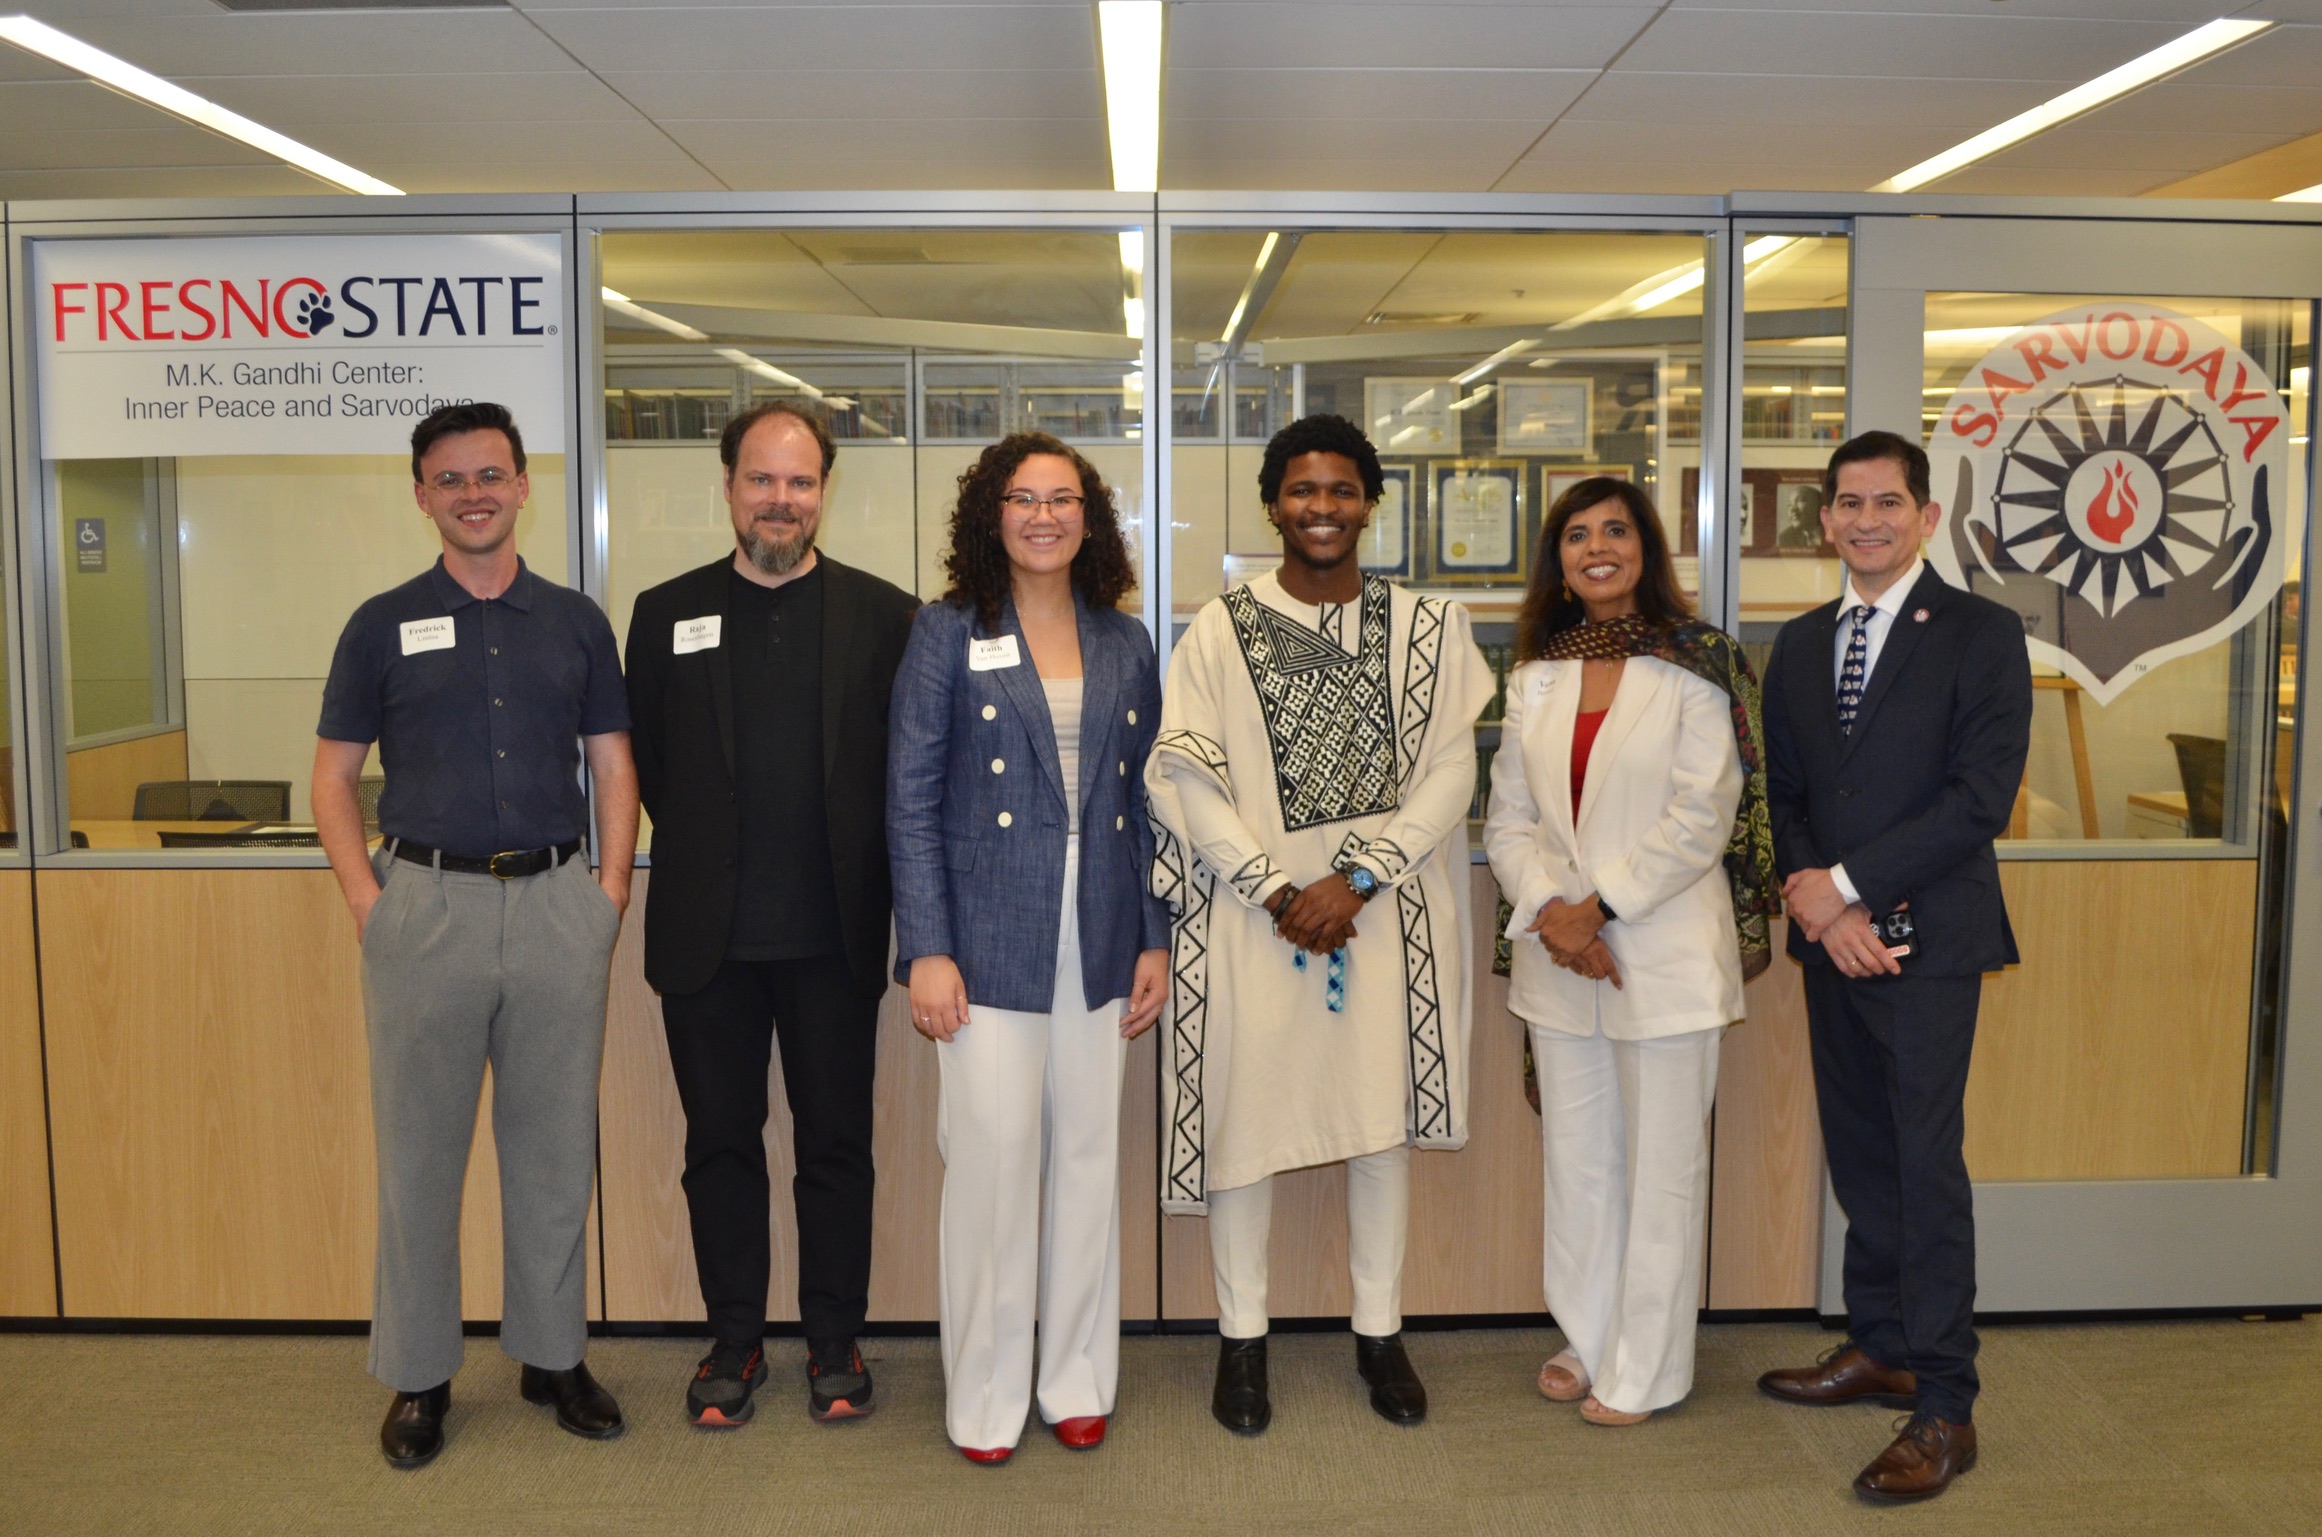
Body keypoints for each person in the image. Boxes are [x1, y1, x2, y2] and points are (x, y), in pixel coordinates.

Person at [1147, 413, 1492, 1435]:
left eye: (1343, 489)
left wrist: (1358, 878)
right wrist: (1269, 885)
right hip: (1258, 923)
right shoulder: (1218, 627)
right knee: (1246, 1126)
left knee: (1377, 1122)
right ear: (1272, 505)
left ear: (1370, 502)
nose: (1324, 508)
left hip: (1381, 921)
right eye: (1303, 490)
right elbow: (1184, 772)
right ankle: (1240, 1339)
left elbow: (1450, 771)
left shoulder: (1431, 625)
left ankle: (1379, 1331)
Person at [313, 402, 638, 1469]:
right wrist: (371, 900)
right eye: (450, 479)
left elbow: (612, 762)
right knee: (420, 1156)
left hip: (555, 905)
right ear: (420, 494)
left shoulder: (577, 622)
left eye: (490, 473)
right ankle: (419, 1375)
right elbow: (332, 778)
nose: (473, 494)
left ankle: (552, 1357)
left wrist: (609, 890)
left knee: (552, 1152)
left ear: (523, 482)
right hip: (427, 910)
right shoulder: (376, 621)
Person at [624, 401, 919, 1428]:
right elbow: (653, 766)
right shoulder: (665, 613)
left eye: (799, 482)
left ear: (822, 492)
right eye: (762, 479)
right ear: (730, 485)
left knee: (837, 1145)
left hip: (836, 935)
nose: (780, 500)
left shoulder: (888, 616)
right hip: (709, 940)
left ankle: (835, 1338)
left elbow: (904, 776)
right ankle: (736, 1340)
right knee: (721, 1144)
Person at [1755, 430, 2031, 1503]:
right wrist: (1815, 904)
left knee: (1925, 1168)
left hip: (1927, 938)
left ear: (1925, 516)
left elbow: (1978, 796)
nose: (1865, 519)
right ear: (1823, 519)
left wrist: (1851, 886)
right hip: (1835, 943)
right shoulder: (1802, 638)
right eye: (1847, 502)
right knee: (1862, 1153)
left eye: (1888, 502)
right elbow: (1779, 794)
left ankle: (1947, 1406)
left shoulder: (1979, 632)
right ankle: (1881, 1346)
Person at [887, 432, 1170, 1463]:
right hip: (985, 942)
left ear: (1087, 518)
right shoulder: (947, 633)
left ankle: (1079, 1378)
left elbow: (1145, 803)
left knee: (1089, 1163)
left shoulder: (1127, 640)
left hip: (1098, 937)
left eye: (1061, 499)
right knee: (995, 1165)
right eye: (1022, 499)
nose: (1042, 516)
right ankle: (987, 1394)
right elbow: (910, 803)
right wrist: (928, 947)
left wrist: (1154, 938)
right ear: (991, 516)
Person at [1483, 478, 1778, 1427]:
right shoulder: (1534, 676)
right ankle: (1589, 1333)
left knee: (1661, 1169)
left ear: (1647, 547)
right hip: (1560, 960)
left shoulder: (1700, 663)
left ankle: (1648, 1367)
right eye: (1577, 535)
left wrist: (1597, 908)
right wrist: (1555, 911)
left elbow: (1706, 813)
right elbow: (1510, 819)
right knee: (1580, 1161)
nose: (1596, 547)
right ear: (1557, 560)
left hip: (1662, 950)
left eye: (1616, 530)